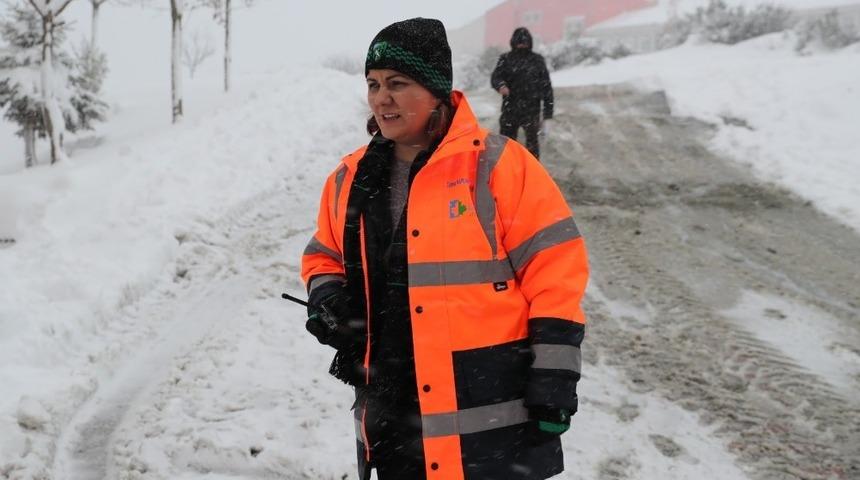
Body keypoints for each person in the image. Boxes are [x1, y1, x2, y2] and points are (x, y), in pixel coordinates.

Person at [301, 17, 588, 480]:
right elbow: (323, 255)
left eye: (398, 83)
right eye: (373, 84)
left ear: (437, 90)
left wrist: (554, 378)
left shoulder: (500, 167)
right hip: (391, 417)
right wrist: (328, 296)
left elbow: (556, 274)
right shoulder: (350, 178)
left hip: (492, 418)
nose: (382, 97)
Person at [491, 27, 554, 160]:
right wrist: (501, 85)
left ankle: (532, 173)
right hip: (510, 109)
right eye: (519, 42)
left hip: (531, 110)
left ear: (529, 43)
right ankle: (505, 168)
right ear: (513, 43)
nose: (522, 46)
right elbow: (495, 77)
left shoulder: (537, 60)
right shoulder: (506, 59)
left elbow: (546, 87)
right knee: (506, 144)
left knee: (532, 144)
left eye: (524, 43)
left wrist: (548, 114)